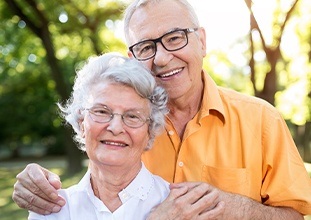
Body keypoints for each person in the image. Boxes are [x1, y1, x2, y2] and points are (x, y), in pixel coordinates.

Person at [13, 0, 311, 219]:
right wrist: (33, 180)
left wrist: (234, 207)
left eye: (174, 38)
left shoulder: (261, 120)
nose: (163, 58)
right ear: (132, 57)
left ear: (202, 41)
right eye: (146, 47)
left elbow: (296, 215)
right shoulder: (128, 127)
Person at [28, 52, 172, 219]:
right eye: (102, 111)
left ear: (150, 131)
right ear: (82, 124)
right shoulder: (51, 212)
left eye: (133, 116)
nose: (116, 128)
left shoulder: (177, 206)